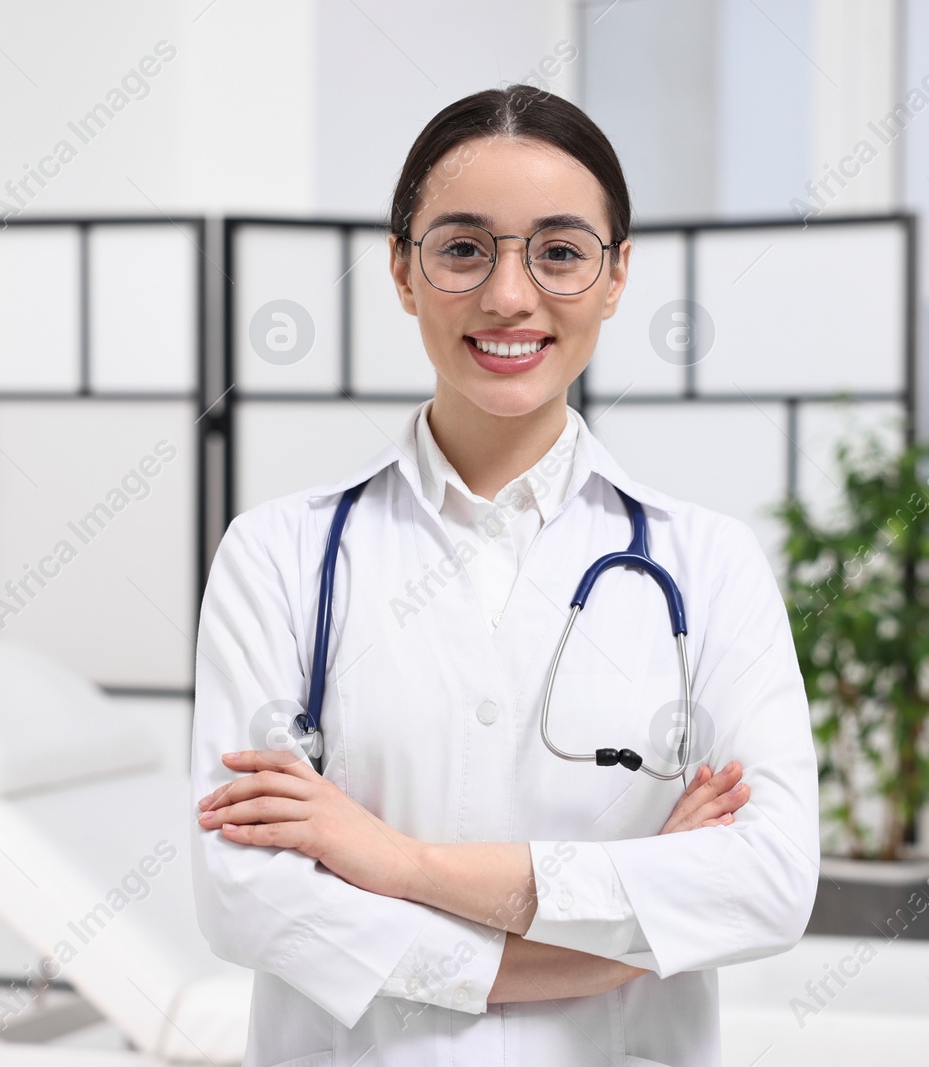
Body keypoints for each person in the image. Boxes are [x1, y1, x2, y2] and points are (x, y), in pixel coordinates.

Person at [189, 84, 818, 1067]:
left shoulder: (710, 563)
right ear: (402, 269)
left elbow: (769, 881)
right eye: (463, 247)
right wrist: (611, 943)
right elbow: (246, 899)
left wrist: (399, 863)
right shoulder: (277, 556)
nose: (509, 295)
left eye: (560, 251)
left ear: (615, 279)